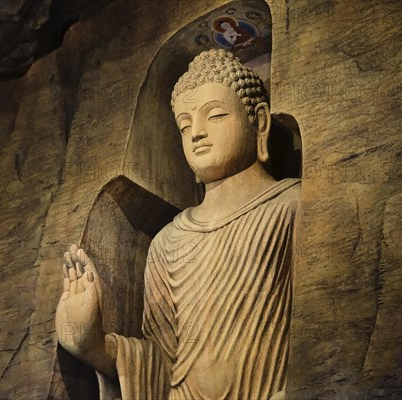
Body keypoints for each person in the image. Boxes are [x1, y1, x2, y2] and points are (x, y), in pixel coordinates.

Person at [55, 49, 300, 400]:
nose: (197, 133)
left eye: (214, 115)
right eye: (185, 125)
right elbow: (162, 362)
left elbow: (321, 330)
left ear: (259, 122)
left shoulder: (291, 207)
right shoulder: (168, 242)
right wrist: (93, 346)